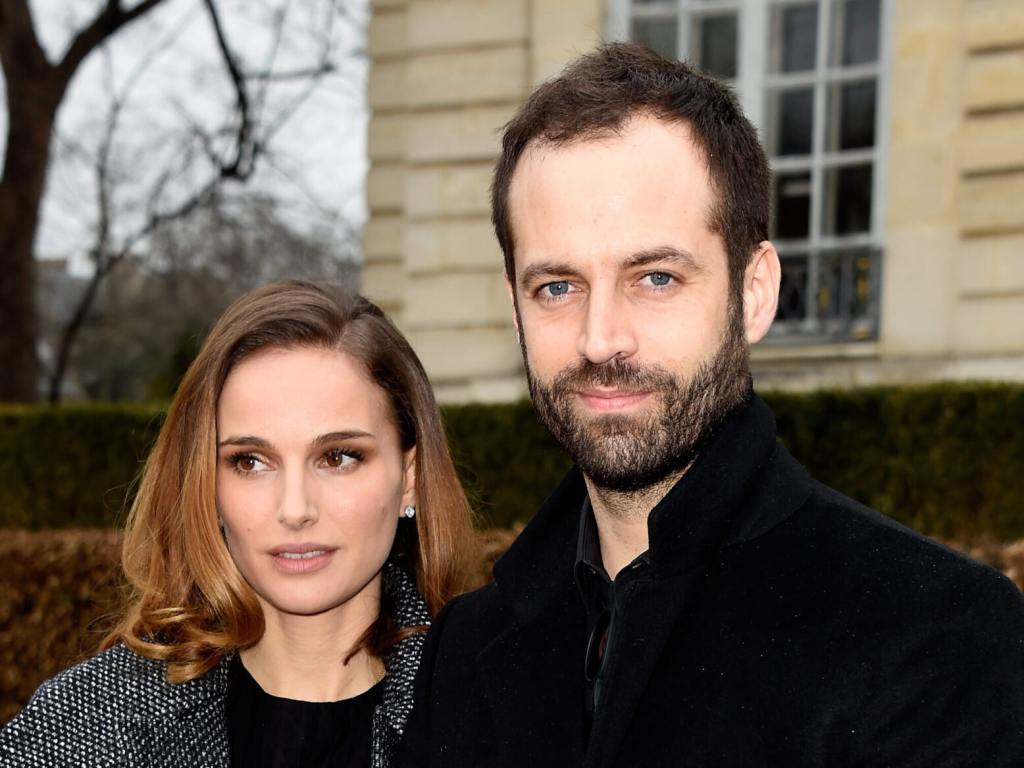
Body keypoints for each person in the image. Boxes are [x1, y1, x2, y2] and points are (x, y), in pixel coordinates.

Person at [399, 43, 1024, 767]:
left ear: (754, 292)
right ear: (515, 311)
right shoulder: (467, 647)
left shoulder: (939, 632)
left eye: (656, 278)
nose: (601, 339)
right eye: (558, 288)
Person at [0, 281, 477, 767]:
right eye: (250, 462)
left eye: (338, 457)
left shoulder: (497, 718)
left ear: (410, 478)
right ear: (205, 483)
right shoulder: (88, 727)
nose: (295, 509)